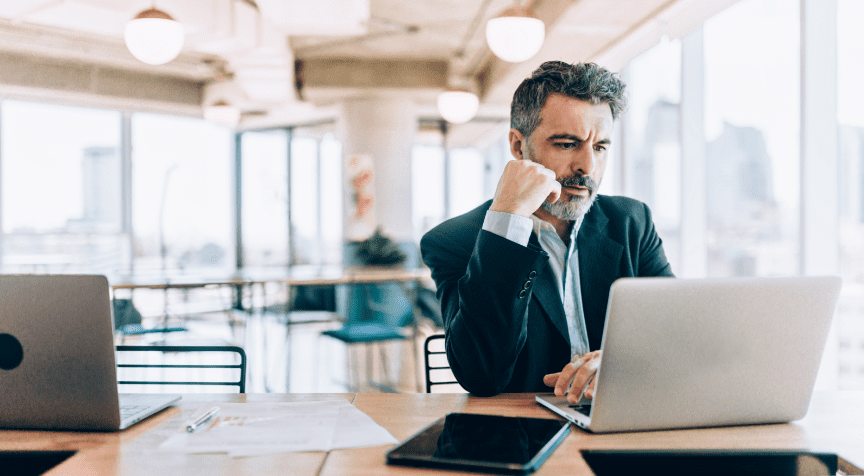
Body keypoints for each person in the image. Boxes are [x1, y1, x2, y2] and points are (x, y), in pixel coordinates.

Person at [420, 61, 674, 401]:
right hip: (523, 436)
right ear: (517, 146)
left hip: (621, 422)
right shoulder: (454, 241)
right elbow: (481, 374)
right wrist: (507, 221)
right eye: (567, 144)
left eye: (600, 147)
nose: (588, 166)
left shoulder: (631, 222)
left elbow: (675, 333)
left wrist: (618, 364)